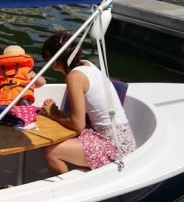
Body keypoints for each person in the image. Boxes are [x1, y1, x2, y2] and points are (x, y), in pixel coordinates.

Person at [38, 32, 136, 175]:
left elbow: (78, 125)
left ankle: (67, 191)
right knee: (56, 140)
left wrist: (53, 113)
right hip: (123, 138)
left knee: (51, 151)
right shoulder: (87, 65)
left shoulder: (74, 77)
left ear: (54, 62)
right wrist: (57, 113)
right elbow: (81, 115)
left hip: (115, 147)